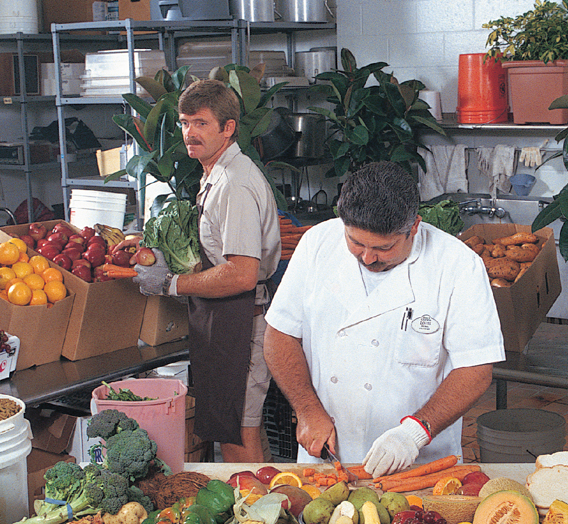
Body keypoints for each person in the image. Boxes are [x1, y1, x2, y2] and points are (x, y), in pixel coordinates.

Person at [263, 161, 506, 477]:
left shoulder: (458, 266)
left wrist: (414, 433)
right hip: (327, 458)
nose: (367, 258)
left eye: (383, 248)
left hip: (419, 464)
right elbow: (280, 335)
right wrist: (307, 410)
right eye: (356, 243)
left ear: (414, 228)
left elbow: (475, 369)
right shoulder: (317, 244)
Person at [134, 79, 281, 463]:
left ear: (228, 128)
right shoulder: (215, 173)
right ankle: (267, 507)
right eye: (184, 123)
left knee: (234, 432)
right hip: (227, 321)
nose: (189, 133)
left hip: (242, 322)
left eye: (200, 123)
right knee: (241, 427)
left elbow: (241, 273)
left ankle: (255, 517)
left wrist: (170, 284)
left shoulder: (234, 184)